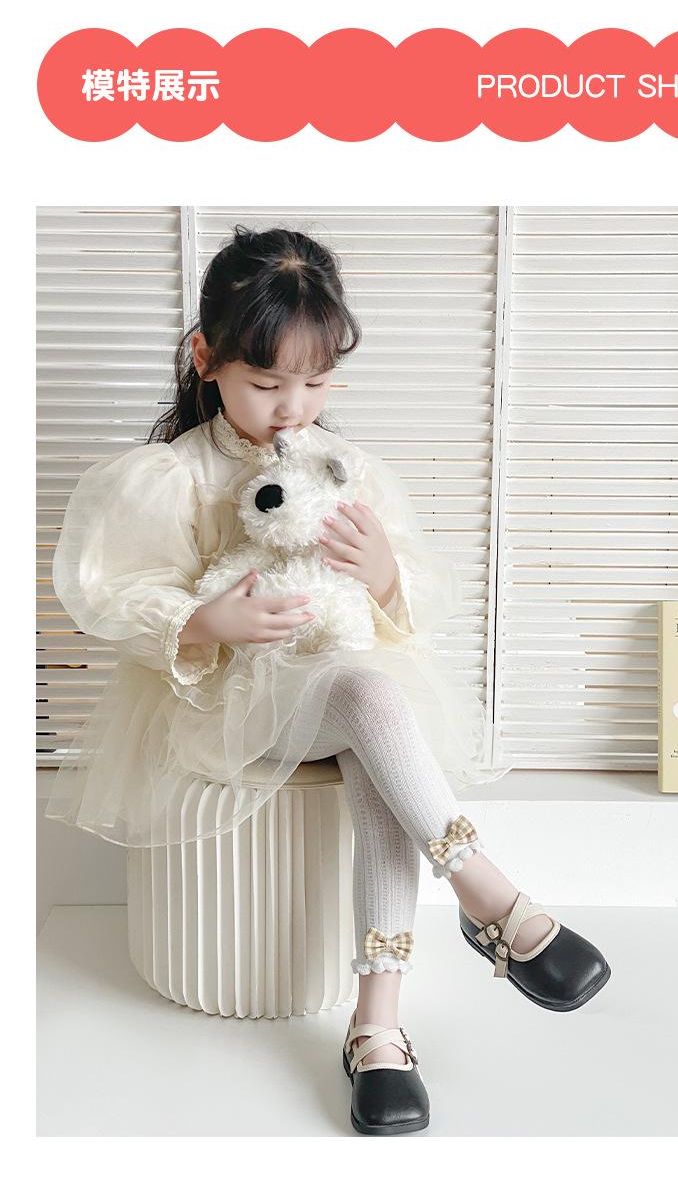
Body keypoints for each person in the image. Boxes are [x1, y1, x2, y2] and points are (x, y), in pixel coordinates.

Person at [46, 225, 610, 1136]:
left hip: (337, 691)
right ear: (206, 357)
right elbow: (111, 590)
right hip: (229, 703)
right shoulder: (172, 476)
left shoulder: (349, 471)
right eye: (267, 383)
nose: (292, 407)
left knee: (371, 726)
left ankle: (377, 1027)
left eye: (315, 383)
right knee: (368, 695)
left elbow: (417, 593)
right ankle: (490, 900)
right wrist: (205, 621)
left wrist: (385, 575)